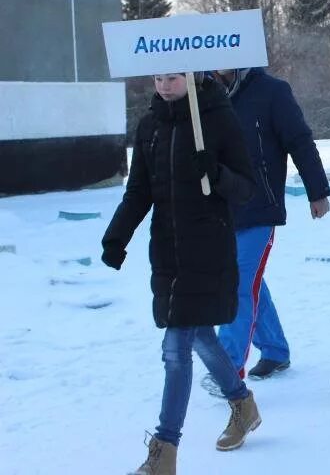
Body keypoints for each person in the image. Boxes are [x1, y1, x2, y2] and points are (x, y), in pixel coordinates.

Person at [101, 73, 261, 474]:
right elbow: (139, 190)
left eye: (173, 77)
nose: (165, 86)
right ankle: (243, 404)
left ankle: (164, 449)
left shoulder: (218, 118)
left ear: (192, 77)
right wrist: (116, 237)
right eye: (159, 78)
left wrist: (218, 173)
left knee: (176, 349)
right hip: (169, 253)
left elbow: (247, 188)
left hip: (208, 249)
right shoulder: (151, 124)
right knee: (201, 338)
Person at [202, 67, 330, 395]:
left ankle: (227, 366)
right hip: (218, 208)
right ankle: (274, 349)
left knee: (237, 284)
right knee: (249, 281)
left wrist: (317, 191)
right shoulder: (200, 92)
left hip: (259, 206)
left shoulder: (271, 91)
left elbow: (299, 141)